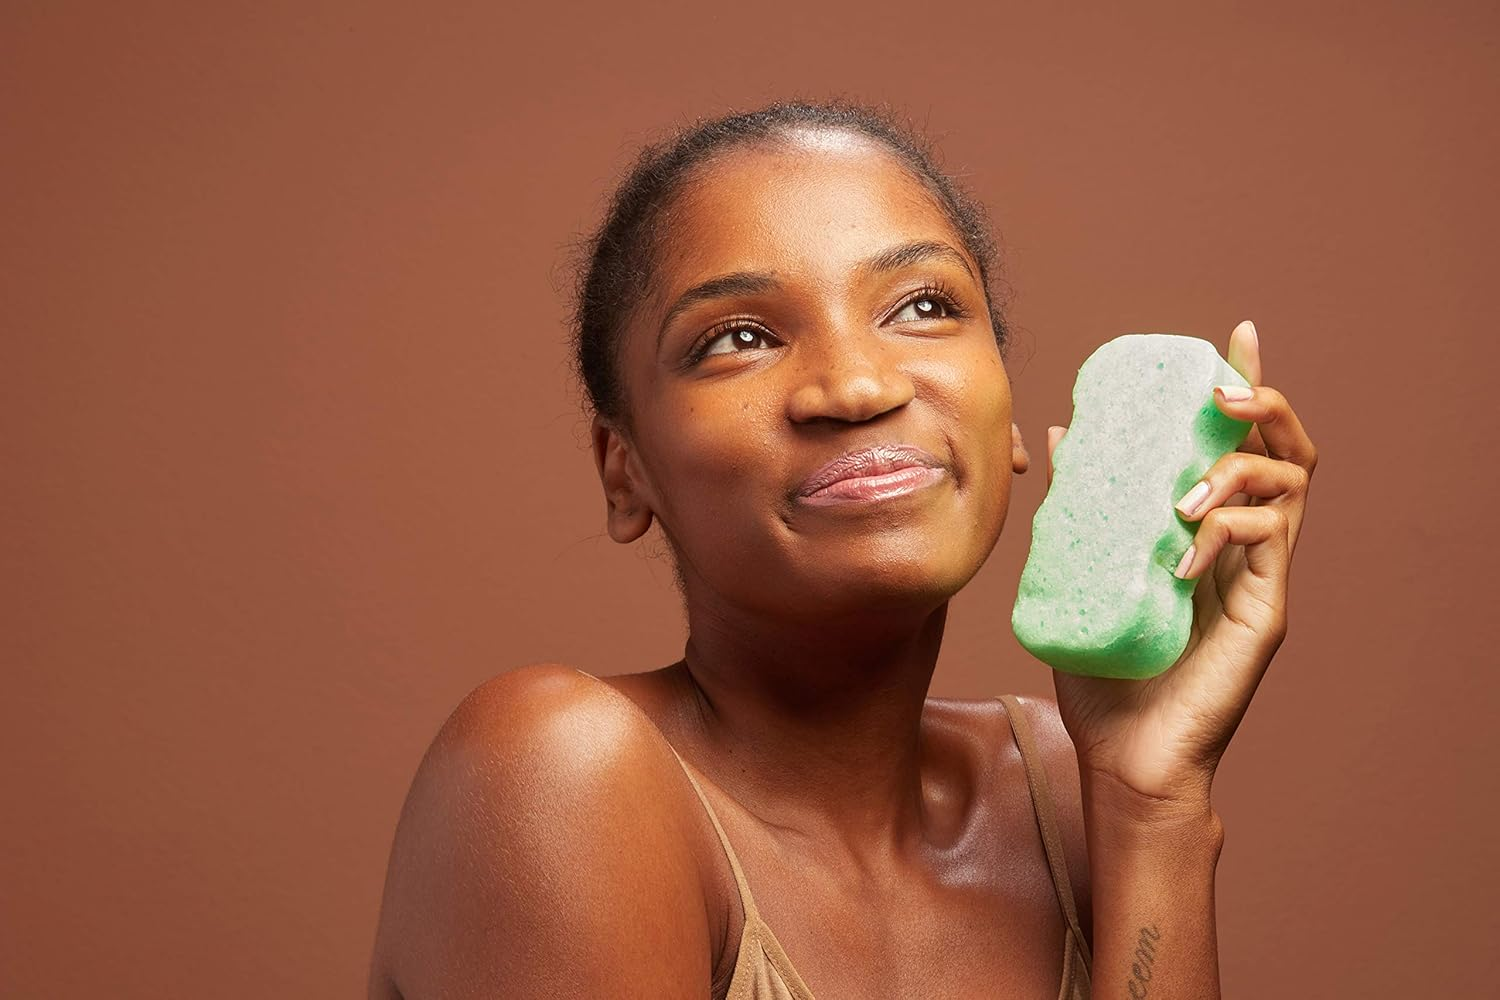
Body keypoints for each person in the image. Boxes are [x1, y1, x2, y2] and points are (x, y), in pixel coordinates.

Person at [368, 99, 1318, 1000]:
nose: (857, 387)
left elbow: (1142, 803)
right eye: (739, 337)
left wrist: (1155, 805)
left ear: (1011, 418)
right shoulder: (561, 771)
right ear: (627, 474)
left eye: (921, 307)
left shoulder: (1073, 787)